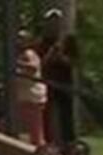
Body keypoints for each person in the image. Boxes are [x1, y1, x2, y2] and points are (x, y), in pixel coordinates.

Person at [40, 9, 79, 145]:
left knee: (66, 114)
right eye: (51, 21)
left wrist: (61, 57)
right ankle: (48, 141)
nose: (54, 24)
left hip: (64, 82)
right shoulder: (43, 41)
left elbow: (73, 62)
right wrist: (51, 54)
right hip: (48, 82)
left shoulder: (69, 40)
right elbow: (41, 62)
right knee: (47, 114)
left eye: (56, 21)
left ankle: (69, 142)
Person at [15, 31, 47, 146]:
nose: (19, 41)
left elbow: (33, 68)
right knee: (24, 131)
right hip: (23, 96)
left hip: (32, 97)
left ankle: (40, 153)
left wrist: (16, 64)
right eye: (18, 38)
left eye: (22, 39)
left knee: (35, 132)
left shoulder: (29, 54)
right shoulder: (18, 55)